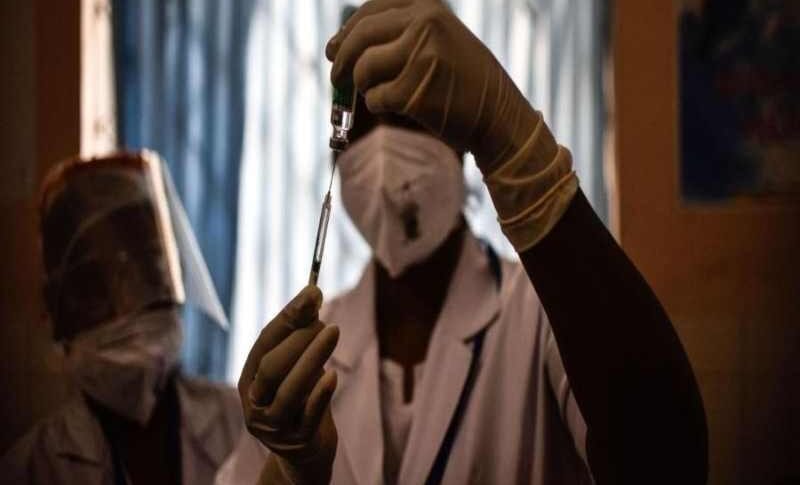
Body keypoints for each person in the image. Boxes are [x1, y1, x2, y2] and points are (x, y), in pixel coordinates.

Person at [218, 1, 708, 484]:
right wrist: (291, 474)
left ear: (459, 123)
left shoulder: (543, 315)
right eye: (361, 127)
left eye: (408, 117)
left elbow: (668, 462)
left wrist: (514, 144)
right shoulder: (306, 362)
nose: (383, 152)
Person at [1, 152, 243, 485]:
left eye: (148, 269)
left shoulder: (243, 423)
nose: (132, 303)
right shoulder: (29, 470)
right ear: (62, 308)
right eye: (99, 285)